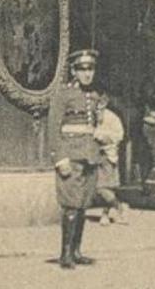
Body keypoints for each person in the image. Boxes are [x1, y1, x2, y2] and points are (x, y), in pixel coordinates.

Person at [46, 50, 102, 269]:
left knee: (83, 205)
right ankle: (65, 254)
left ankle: (77, 251)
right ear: (73, 71)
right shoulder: (63, 94)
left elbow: (94, 125)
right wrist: (60, 159)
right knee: (71, 206)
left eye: (91, 69)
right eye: (82, 69)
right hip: (71, 155)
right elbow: (53, 128)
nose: (87, 74)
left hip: (89, 155)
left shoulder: (94, 95)